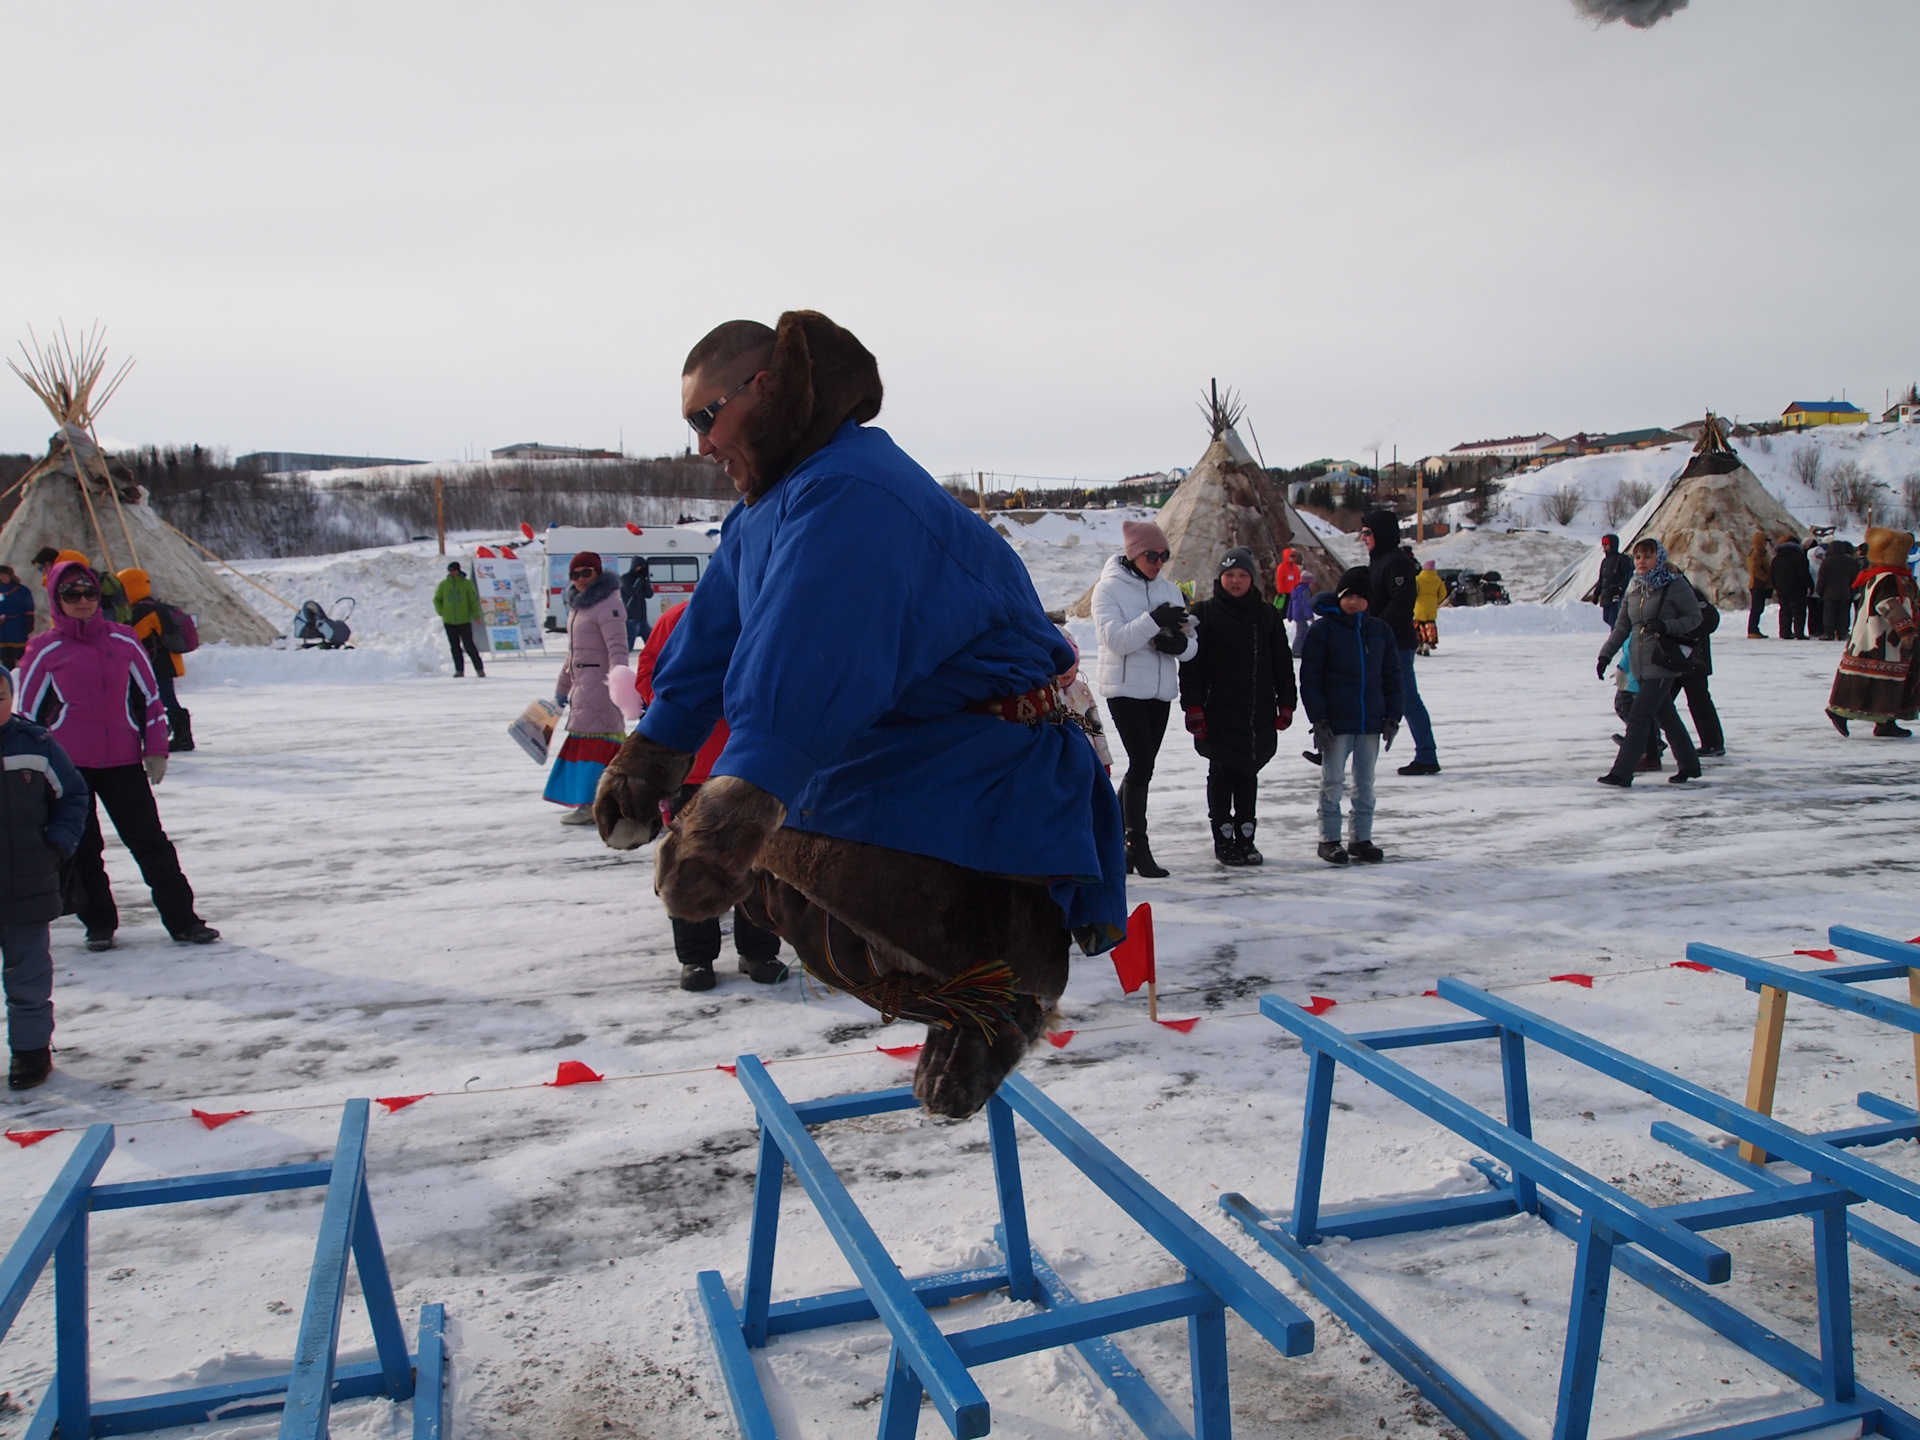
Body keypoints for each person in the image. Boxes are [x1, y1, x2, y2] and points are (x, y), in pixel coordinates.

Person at [591, 311, 1125, 1118]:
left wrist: (737, 809)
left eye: (708, 416)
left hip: (984, 753)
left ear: (763, 388)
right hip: (903, 744)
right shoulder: (766, 510)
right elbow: (710, 637)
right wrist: (655, 749)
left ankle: (1006, 988)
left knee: (824, 858)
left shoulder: (851, 491)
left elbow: (811, 655)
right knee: (783, 879)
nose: (703, 444)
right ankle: (971, 997)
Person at [15, 561, 218, 948]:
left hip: (123, 762)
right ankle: (100, 923)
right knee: (85, 847)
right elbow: (28, 714)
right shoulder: (45, 649)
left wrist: (156, 748)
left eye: (89, 593)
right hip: (69, 768)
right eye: (71, 595)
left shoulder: (124, 641)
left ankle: (183, 920)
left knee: (150, 842)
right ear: (57, 600)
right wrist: (34, 770)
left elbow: (152, 699)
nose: (82, 601)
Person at [633, 600, 786, 990]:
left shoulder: (772, 608)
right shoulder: (678, 618)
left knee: (762, 867)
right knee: (689, 866)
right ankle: (696, 959)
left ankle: (760, 951)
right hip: (695, 767)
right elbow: (647, 676)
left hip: (758, 768)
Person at [1091, 518, 1196, 877]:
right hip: (1124, 689)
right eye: (1152, 555)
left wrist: (1181, 644)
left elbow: (1191, 642)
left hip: (1159, 690)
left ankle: (1115, 834)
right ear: (1134, 555)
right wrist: (1153, 621)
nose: (1159, 562)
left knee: (1143, 766)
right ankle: (1137, 843)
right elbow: (1115, 640)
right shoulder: (1108, 590)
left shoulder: (1169, 589)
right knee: (1142, 764)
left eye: (1164, 555)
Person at [0, 665, 88, 1090]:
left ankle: (31, 1053)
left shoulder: (34, 745)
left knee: (29, 974)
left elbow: (73, 795)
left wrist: (57, 844)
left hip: (26, 882)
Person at [1179, 547, 1296, 866]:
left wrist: (1286, 703)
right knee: (1220, 772)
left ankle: (1246, 837)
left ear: (1252, 579)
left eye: (1242, 575)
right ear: (1220, 577)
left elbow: (1282, 662)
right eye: (1230, 575)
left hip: (1256, 710)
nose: (1235, 581)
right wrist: (1192, 708)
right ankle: (1223, 836)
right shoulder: (1204, 613)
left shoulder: (1267, 614)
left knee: (1249, 771)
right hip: (1215, 710)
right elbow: (1191, 667)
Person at [1299, 568, 1401, 865]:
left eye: (1360, 597)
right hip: (1336, 722)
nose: (1354, 602)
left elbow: (1393, 676)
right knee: (1333, 781)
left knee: (1366, 782)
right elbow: (1311, 679)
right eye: (1348, 596)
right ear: (1340, 597)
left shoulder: (1380, 631)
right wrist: (1319, 719)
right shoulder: (1324, 631)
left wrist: (1393, 715)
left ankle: (1361, 837)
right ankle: (1329, 839)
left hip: (1371, 720)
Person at [1595, 540, 1702, 787]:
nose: (1641, 561)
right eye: (1638, 556)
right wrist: (1605, 656)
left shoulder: (1674, 585)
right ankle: (1689, 765)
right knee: (1666, 716)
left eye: (1648, 556)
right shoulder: (1634, 588)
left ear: (1659, 558)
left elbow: (1695, 617)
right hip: (1639, 664)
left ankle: (1622, 773)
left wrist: (1667, 626)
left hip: (1662, 660)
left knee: (1639, 718)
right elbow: (1622, 627)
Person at [546, 552, 628, 824]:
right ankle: (608, 801)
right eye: (574, 575)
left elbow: (618, 649)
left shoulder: (608, 605)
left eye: (586, 573)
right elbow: (572, 655)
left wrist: (619, 685)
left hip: (602, 687)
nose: (580, 579)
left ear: (597, 573)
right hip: (583, 686)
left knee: (595, 743)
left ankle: (591, 804)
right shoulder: (578, 608)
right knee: (588, 743)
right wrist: (562, 687)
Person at [1361, 510, 1439, 776]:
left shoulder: (1397, 562)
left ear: (1380, 534)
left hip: (1395, 643)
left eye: (1367, 532)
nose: (1363, 538)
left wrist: (1377, 625)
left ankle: (1427, 755)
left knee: (1406, 699)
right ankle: (1335, 751)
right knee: (1362, 696)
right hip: (1377, 640)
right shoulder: (1378, 561)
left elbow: (1402, 603)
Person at [1826, 526, 1919, 738]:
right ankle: (1840, 711)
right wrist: (1906, 629)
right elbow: (1888, 604)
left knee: (1886, 679)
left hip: (1881, 638)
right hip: (1881, 638)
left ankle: (1886, 720)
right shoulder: (1887, 577)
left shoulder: (1883, 574)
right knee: (1872, 677)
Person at [118, 569, 195, 752]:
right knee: (166, 698)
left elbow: (132, 636)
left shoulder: (143, 610)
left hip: (159, 664)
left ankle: (181, 736)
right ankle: (180, 735)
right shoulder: (155, 606)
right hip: (167, 661)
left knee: (163, 699)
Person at [433, 561, 486, 677]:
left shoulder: (467, 584)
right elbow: (437, 599)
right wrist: (441, 611)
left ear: (458, 570)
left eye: (453, 570)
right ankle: (459, 670)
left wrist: (476, 615)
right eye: (450, 571)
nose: (451, 573)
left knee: (469, 645)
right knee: (455, 647)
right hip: (449, 621)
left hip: (464, 620)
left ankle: (479, 669)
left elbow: (473, 601)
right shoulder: (444, 585)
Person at [1771, 535, 1813, 639]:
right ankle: (1799, 632)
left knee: (1784, 610)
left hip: (1781, 588)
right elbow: (1803, 573)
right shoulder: (1799, 557)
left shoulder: (1776, 558)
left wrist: (1776, 586)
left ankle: (1785, 632)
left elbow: (1772, 574)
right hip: (1797, 588)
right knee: (1798, 611)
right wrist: (1810, 585)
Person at [1816, 539, 1858, 642]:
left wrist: (1819, 591)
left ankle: (1829, 633)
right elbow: (1854, 577)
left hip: (1829, 593)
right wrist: (1852, 590)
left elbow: (1822, 578)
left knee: (1829, 614)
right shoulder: (1850, 561)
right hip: (1845, 592)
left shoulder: (1827, 561)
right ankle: (1842, 632)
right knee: (1844, 613)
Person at [1595, 534, 1633, 628]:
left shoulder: (1622, 559)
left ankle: (1616, 641)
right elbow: (1602, 579)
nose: (1604, 546)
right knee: (1606, 618)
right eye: (1603, 544)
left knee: (1614, 620)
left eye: (1606, 544)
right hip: (1606, 596)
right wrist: (1596, 593)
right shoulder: (1605, 561)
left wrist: (1619, 588)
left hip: (1617, 596)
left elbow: (1628, 576)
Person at [0, 566, 34, 670]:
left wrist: (30, 620)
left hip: (17, 625)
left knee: (21, 654)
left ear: (11, 576)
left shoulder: (22, 590)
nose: (3, 578)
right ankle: (8, 675)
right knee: (6, 656)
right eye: (1, 576)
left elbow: (29, 606)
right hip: (2, 628)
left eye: (5, 575)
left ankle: (23, 672)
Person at [1413, 559, 1447, 655]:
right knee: (1429, 626)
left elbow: (1414, 591)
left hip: (1419, 605)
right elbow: (1443, 593)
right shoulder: (1437, 580)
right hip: (1431, 606)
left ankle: (1419, 646)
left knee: (1419, 626)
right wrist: (1436, 600)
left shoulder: (1418, 579)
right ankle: (1426, 646)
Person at [620, 558, 654, 650]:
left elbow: (649, 594)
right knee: (628, 646)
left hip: (642, 618)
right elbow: (631, 591)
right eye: (640, 567)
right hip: (631, 617)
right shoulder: (626, 578)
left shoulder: (642, 579)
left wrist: (645, 580)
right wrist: (639, 580)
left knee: (653, 643)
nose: (641, 569)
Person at [1745, 530, 1773, 638]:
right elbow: (1755, 569)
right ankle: (1752, 630)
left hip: (1760, 585)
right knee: (1756, 608)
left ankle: (1754, 629)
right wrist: (1766, 577)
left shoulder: (1761, 553)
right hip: (1757, 585)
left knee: (1758, 608)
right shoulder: (1756, 553)